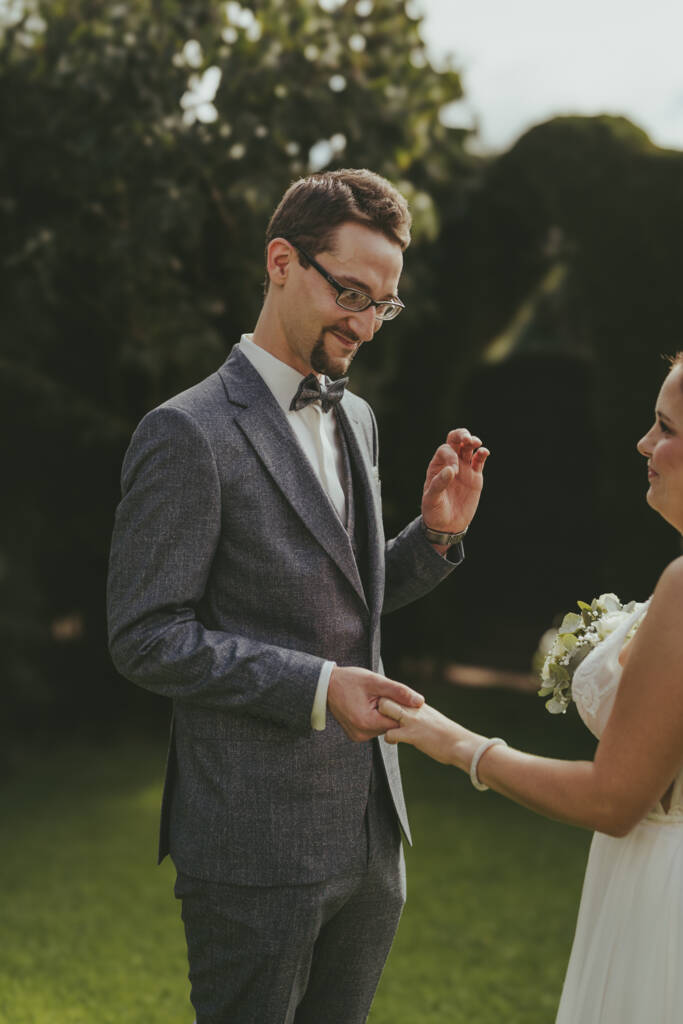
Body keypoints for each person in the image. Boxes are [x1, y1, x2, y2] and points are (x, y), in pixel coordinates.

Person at [106, 168, 489, 1024]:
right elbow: (145, 636)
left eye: (382, 304)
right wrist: (318, 689)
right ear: (281, 261)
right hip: (252, 844)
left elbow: (341, 602)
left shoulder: (357, 419)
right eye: (349, 291)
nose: (363, 322)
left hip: (369, 832)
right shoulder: (186, 432)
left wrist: (429, 537)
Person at [380, 353, 683, 1023]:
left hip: (665, 896)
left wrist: (453, 741)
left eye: (663, 426)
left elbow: (613, 799)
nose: (643, 443)